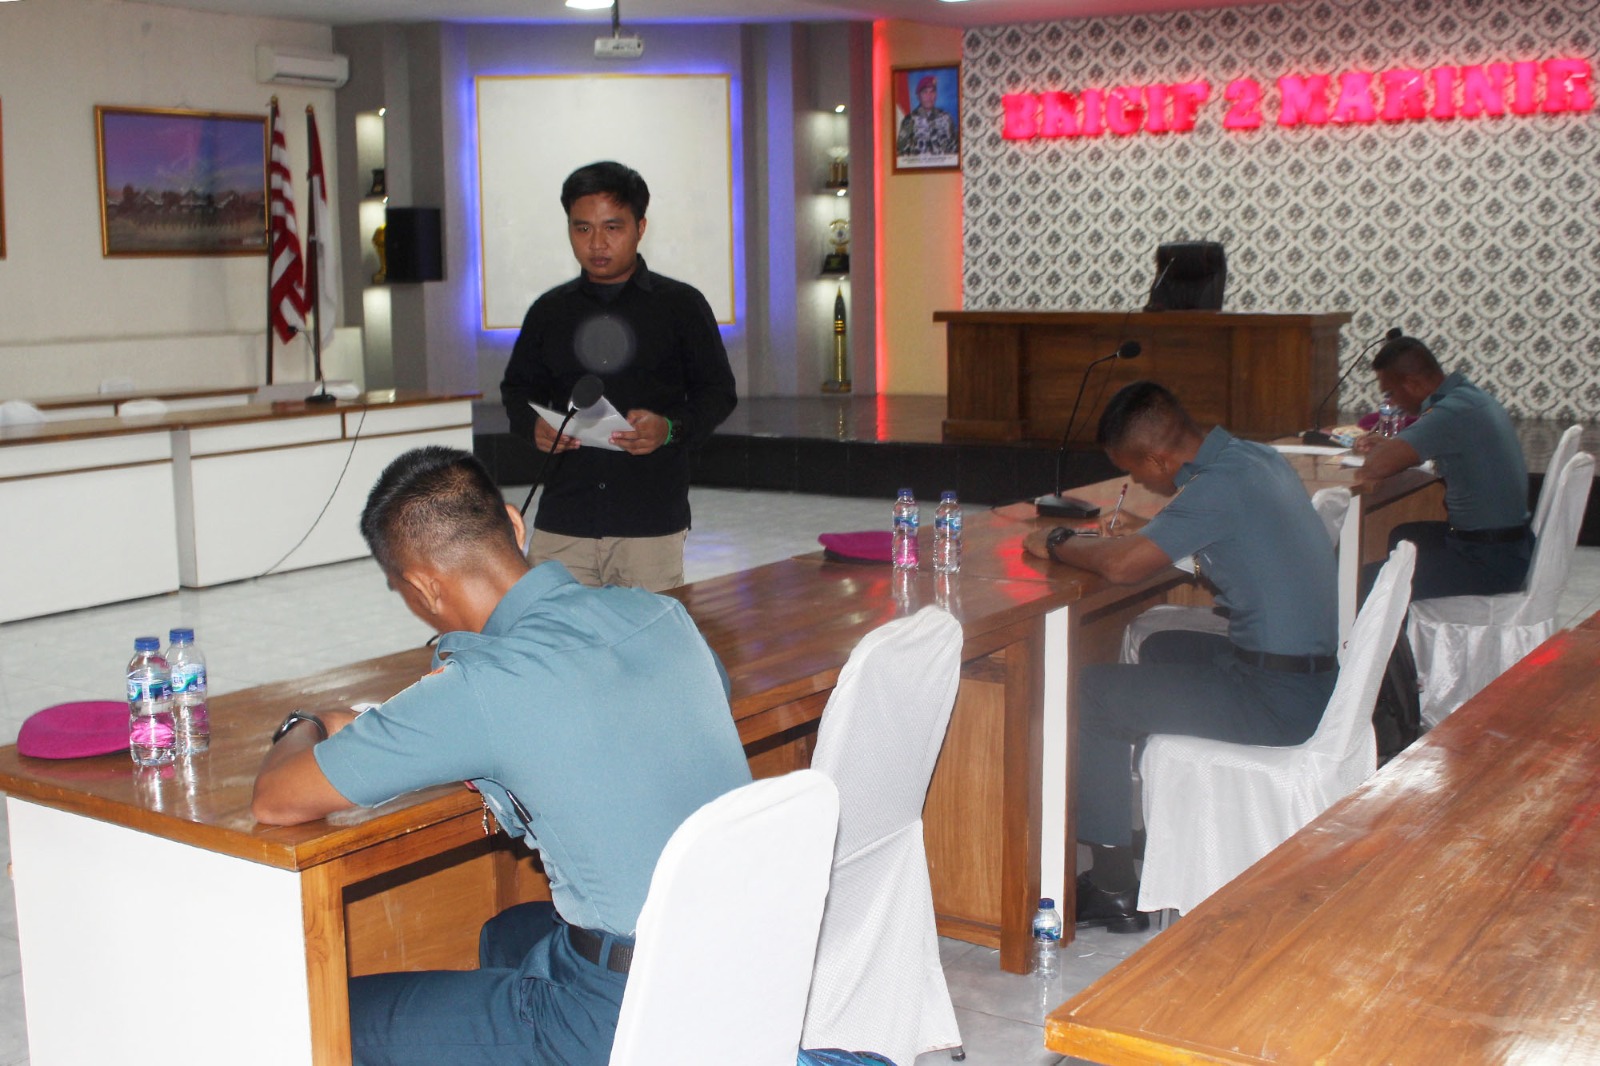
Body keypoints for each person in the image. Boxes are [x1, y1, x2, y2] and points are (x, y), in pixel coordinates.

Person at [251, 445, 752, 1066]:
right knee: (506, 932)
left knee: (327, 1014)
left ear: (422, 586)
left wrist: (307, 722)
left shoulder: (480, 686)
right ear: (515, 524)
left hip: (618, 1008)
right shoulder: (662, 614)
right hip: (735, 960)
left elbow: (277, 800)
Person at [1022, 382, 1338, 931]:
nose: (1142, 483)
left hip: (1275, 699)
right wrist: (1152, 536)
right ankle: (1147, 818)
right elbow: (1225, 543)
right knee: (1159, 644)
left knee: (1092, 693)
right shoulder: (1253, 459)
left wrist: (1057, 541)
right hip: (1305, 678)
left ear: (1156, 459)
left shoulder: (1217, 487)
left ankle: (1112, 885)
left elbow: (1122, 567)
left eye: (1136, 471)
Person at [501, 161, 738, 592]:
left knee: (643, 634)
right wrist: (532, 425)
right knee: (551, 630)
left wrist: (669, 429)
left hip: (648, 521)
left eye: (612, 227)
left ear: (640, 227)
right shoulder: (549, 311)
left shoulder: (681, 306)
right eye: (582, 228)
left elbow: (718, 392)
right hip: (564, 518)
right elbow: (517, 389)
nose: (597, 243)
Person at [1353, 335, 1532, 600]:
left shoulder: (1450, 413)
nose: (1393, 402)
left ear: (1413, 384)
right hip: (1509, 548)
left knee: (1359, 582)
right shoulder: (1468, 397)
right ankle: (1403, 622)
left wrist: (1387, 450)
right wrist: (1396, 445)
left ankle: (1389, 619)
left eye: (1391, 393)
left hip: (1488, 561)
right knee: (1404, 535)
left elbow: (1376, 467)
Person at [896, 75, 958, 159]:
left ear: (936, 95)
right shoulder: (909, 120)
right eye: (925, 92)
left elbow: (955, 150)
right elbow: (901, 154)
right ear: (918, 96)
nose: (929, 96)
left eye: (932, 92)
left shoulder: (946, 118)